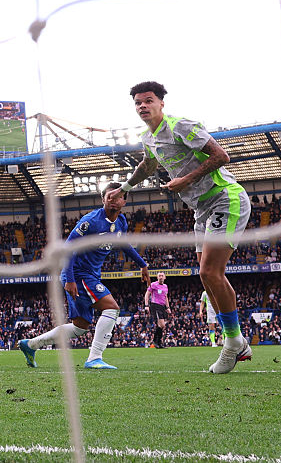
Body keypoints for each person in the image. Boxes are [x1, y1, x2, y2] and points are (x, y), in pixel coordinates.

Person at [106, 81, 252, 373]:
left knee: (210, 271)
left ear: (161, 103)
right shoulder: (149, 138)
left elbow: (221, 156)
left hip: (225, 198)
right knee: (207, 278)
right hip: (200, 210)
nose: (142, 106)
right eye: (138, 103)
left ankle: (233, 343)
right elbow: (148, 165)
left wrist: (185, 180)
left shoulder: (181, 126)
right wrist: (124, 187)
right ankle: (235, 342)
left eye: (148, 100)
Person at [20, 182, 150, 369]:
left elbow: (123, 244)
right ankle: (94, 358)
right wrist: (70, 279)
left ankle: (31, 344)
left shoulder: (121, 222)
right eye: (109, 197)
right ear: (103, 199)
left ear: (124, 202)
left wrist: (142, 264)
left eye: (118, 197)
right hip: (78, 274)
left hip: (89, 275)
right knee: (112, 308)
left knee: (79, 328)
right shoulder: (90, 221)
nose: (113, 200)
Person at [145, 273, 170, 348]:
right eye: (159, 276)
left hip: (162, 306)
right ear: (157, 277)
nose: (161, 277)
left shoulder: (165, 286)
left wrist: (168, 307)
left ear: (165, 277)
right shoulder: (153, 285)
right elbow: (147, 294)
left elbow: (166, 297)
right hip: (155, 305)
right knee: (162, 325)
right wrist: (146, 305)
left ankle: (158, 343)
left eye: (162, 276)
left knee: (161, 326)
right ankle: (156, 341)